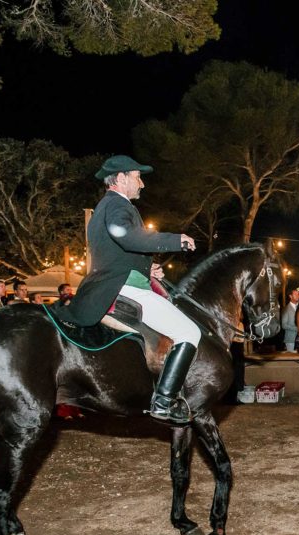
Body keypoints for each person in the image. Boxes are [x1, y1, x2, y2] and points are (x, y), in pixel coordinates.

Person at [55, 154, 199, 424]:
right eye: (137, 177)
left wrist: (147, 269)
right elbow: (125, 236)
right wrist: (174, 239)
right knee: (189, 331)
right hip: (121, 289)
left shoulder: (108, 206)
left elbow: (117, 250)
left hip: (121, 280)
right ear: (120, 179)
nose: (142, 183)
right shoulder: (116, 205)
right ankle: (165, 401)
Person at [282, 287, 299, 352]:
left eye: (298, 294)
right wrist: (298, 328)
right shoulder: (286, 309)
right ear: (290, 296)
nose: (298, 296)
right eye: (296, 294)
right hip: (290, 339)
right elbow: (284, 325)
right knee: (291, 359)